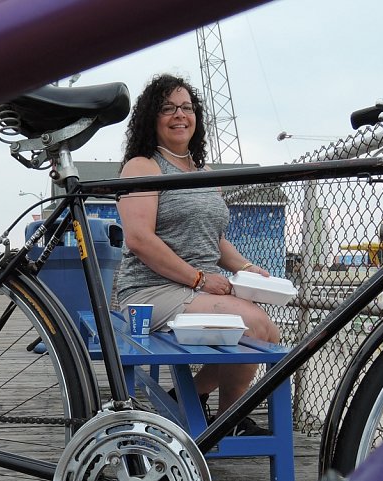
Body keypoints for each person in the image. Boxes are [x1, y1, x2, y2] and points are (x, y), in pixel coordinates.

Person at [115, 74, 281, 437]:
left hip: (199, 288)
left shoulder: (205, 173)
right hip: (151, 290)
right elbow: (139, 239)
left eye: (187, 108)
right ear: (151, 118)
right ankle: (223, 418)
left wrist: (248, 267)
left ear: (197, 117)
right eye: (168, 108)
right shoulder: (143, 166)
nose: (180, 115)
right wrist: (199, 278)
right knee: (254, 326)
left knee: (266, 332)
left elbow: (216, 240)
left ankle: (209, 407)